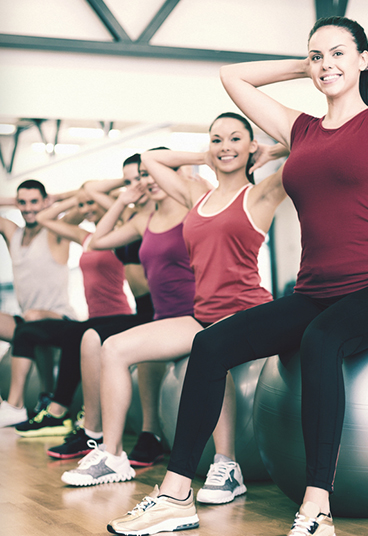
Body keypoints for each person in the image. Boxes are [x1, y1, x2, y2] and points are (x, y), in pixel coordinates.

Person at [106, 16, 368, 536]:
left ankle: (317, 505)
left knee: (320, 342)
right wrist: (308, 65)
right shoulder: (300, 129)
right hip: (314, 290)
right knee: (210, 346)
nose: (326, 65)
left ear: (361, 59)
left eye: (338, 54)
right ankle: (176, 495)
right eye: (317, 56)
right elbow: (234, 77)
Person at [61, 113, 287, 506]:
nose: (225, 146)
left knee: (213, 350)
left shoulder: (261, 194)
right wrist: (208, 151)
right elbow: (150, 159)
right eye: (217, 139)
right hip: (199, 314)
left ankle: (227, 465)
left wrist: (269, 150)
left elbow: (309, 144)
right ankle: (113, 455)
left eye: (235, 139)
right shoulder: (194, 199)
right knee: (113, 349)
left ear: (252, 146)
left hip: (247, 309)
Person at [49, 154, 196, 465]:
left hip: (189, 311)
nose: (144, 181)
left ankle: (145, 433)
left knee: (120, 345)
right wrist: (125, 193)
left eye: (148, 174)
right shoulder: (140, 218)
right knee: (91, 338)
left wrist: (193, 164)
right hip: (155, 310)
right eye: (138, 176)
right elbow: (96, 240)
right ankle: (98, 435)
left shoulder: (192, 206)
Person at [13, 183, 134, 437]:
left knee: (75, 335)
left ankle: (59, 412)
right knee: (33, 331)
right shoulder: (87, 237)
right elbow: (44, 217)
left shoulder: (124, 234)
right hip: (93, 319)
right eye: (83, 205)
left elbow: (120, 210)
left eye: (91, 203)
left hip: (118, 315)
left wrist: (95, 195)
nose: (86, 209)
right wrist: (74, 197)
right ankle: (47, 406)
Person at [0, 180, 78, 428]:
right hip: (26, 322)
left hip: (61, 320)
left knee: (34, 318)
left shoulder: (56, 231)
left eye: (34, 201)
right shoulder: (14, 233)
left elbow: (85, 197)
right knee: (29, 320)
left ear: (45, 201)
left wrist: (55, 198)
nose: (28, 208)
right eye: (22, 202)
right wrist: (14, 203)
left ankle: (32, 400)